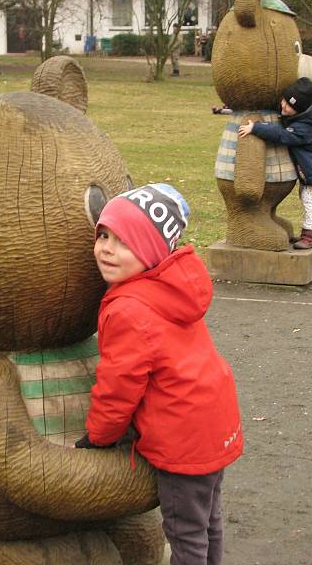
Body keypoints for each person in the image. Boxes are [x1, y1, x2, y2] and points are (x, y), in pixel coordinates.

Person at [76, 183, 243, 565]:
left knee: (185, 533)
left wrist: (101, 436)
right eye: (103, 235)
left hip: (183, 436)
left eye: (124, 242)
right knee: (207, 520)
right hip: (214, 422)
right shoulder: (169, 286)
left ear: (150, 252)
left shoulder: (128, 310)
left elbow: (118, 386)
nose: (106, 248)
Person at [237, 77, 312, 249]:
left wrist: (255, 128)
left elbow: (282, 134)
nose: (284, 107)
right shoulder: (301, 119)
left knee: (307, 198)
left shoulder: (303, 128)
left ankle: (309, 234)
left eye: (290, 106)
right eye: (284, 102)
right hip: (309, 168)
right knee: (306, 197)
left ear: (299, 111)